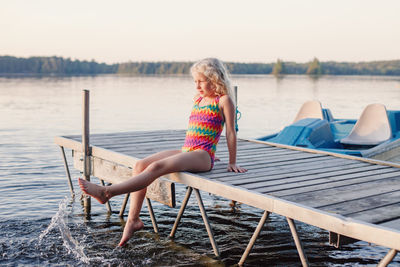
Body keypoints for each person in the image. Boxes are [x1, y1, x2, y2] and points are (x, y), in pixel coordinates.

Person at [78, 58, 247, 246]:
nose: (197, 85)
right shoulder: (198, 99)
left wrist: (232, 162)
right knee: (140, 165)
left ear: (214, 79)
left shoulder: (223, 100)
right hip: (188, 150)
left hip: (203, 155)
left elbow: (231, 132)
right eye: (195, 81)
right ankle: (133, 220)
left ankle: (107, 192)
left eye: (201, 81)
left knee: (157, 166)